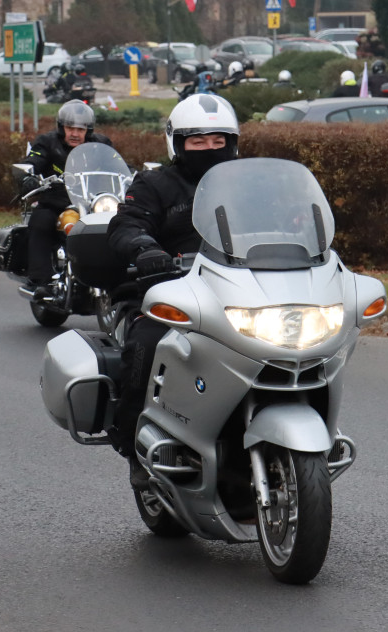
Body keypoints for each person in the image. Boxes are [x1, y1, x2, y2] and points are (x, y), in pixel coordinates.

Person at [106, 94, 240, 473]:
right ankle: (134, 439)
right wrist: (145, 249)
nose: (209, 149)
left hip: (238, 291)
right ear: (177, 143)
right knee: (148, 342)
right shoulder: (156, 183)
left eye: (218, 141)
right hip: (175, 290)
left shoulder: (247, 182)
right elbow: (127, 223)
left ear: (232, 143)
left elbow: (284, 219)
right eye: (198, 142)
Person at [16, 99, 113, 295]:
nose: (75, 134)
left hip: (92, 202)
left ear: (89, 130)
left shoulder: (101, 144)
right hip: (56, 202)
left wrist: (137, 176)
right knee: (41, 222)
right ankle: (40, 280)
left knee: (119, 225)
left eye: (80, 129)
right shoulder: (47, 142)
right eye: (70, 128)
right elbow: (33, 161)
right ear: (62, 128)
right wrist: (29, 177)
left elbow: (117, 165)